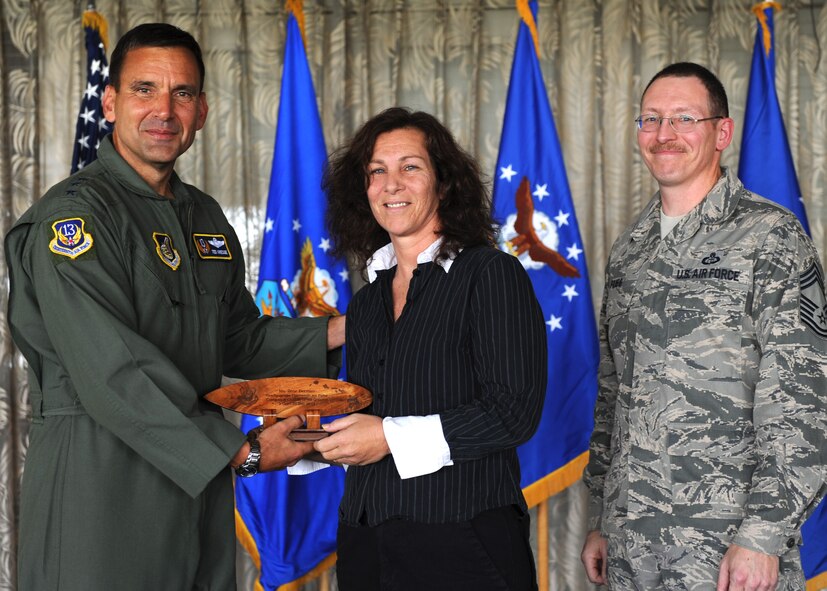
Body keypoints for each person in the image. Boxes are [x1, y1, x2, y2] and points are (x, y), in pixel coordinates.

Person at [5, 23, 345, 590]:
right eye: (144, 90)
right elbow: (113, 370)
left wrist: (344, 330)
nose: (164, 110)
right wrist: (242, 451)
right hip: (103, 484)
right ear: (110, 103)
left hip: (197, 486)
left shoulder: (205, 217)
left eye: (181, 93)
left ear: (202, 110)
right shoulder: (74, 219)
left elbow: (237, 338)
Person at [581, 62, 827, 590]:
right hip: (632, 544)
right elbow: (614, 393)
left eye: (684, 118)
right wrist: (602, 516)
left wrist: (764, 535)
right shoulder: (630, 251)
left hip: (729, 547)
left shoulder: (771, 237)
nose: (664, 135)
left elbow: (803, 401)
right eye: (651, 120)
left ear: (722, 132)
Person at [315, 107, 548, 591]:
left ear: (444, 184)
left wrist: (388, 438)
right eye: (376, 171)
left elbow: (513, 412)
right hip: (365, 541)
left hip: (463, 543)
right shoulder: (366, 302)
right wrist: (307, 440)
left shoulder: (490, 274)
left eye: (410, 167)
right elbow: (372, 415)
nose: (391, 184)